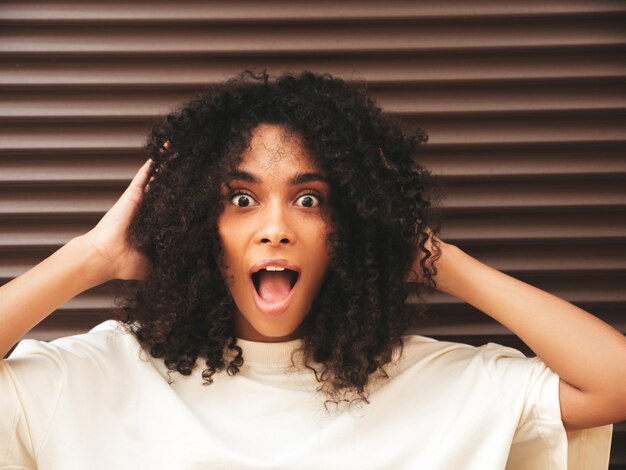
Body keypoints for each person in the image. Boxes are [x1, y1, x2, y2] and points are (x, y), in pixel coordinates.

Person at [0, 70, 621, 469]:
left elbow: (614, 381)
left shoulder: (436, 383)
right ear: (199, 226)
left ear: (348, 226)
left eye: (309, 199)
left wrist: (434, 259)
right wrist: (92, 257)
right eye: (240, 200)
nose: (275, 228)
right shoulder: (102, 376)